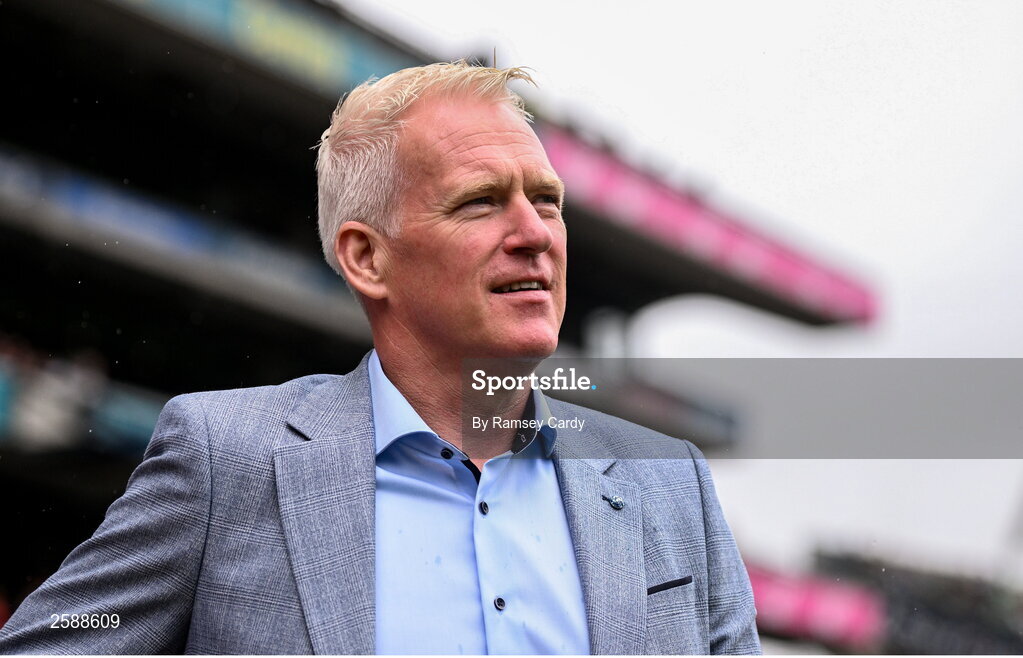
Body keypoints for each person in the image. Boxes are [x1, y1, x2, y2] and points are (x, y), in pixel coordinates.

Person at [0, 61, 760, 655]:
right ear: (366, 258)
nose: (535, 232)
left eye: (548, 199)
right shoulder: (224, 459)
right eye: (480, 200)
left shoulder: (672, 483)